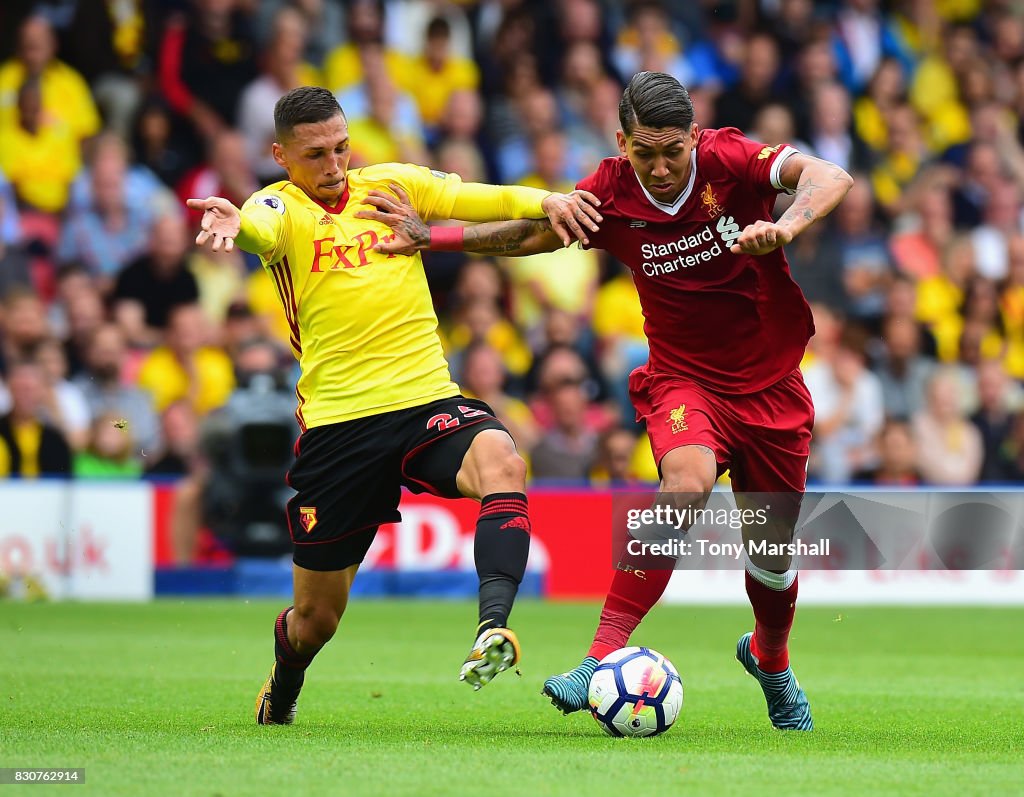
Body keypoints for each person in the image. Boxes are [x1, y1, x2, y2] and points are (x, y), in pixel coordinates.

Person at [365, 72, 854, 731]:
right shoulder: (611, 188)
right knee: (685, 483)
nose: (657, 167)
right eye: (642, 152)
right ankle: (598, 659)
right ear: (621, 142)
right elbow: (535, 234)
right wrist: (439, 238)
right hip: (685, 380)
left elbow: (831, 177)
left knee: (771, 559)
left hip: (772, 390)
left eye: (671, 152)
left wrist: (786, 225)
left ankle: (771, 661)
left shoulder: (731, 158)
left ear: (693, 138)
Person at [186, 85, 599, 725]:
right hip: (339, 428)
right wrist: (236, 226)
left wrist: (549, 198)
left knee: (503, 462)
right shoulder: (281, 206)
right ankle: (284, 682)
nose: (334, 165)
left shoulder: (393, 185)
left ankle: (493, 629)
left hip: (424, 400)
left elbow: (476, 196)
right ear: (281, 156)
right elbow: (258, 222)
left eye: (342, 147)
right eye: (316, 154)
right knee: (316, 620)